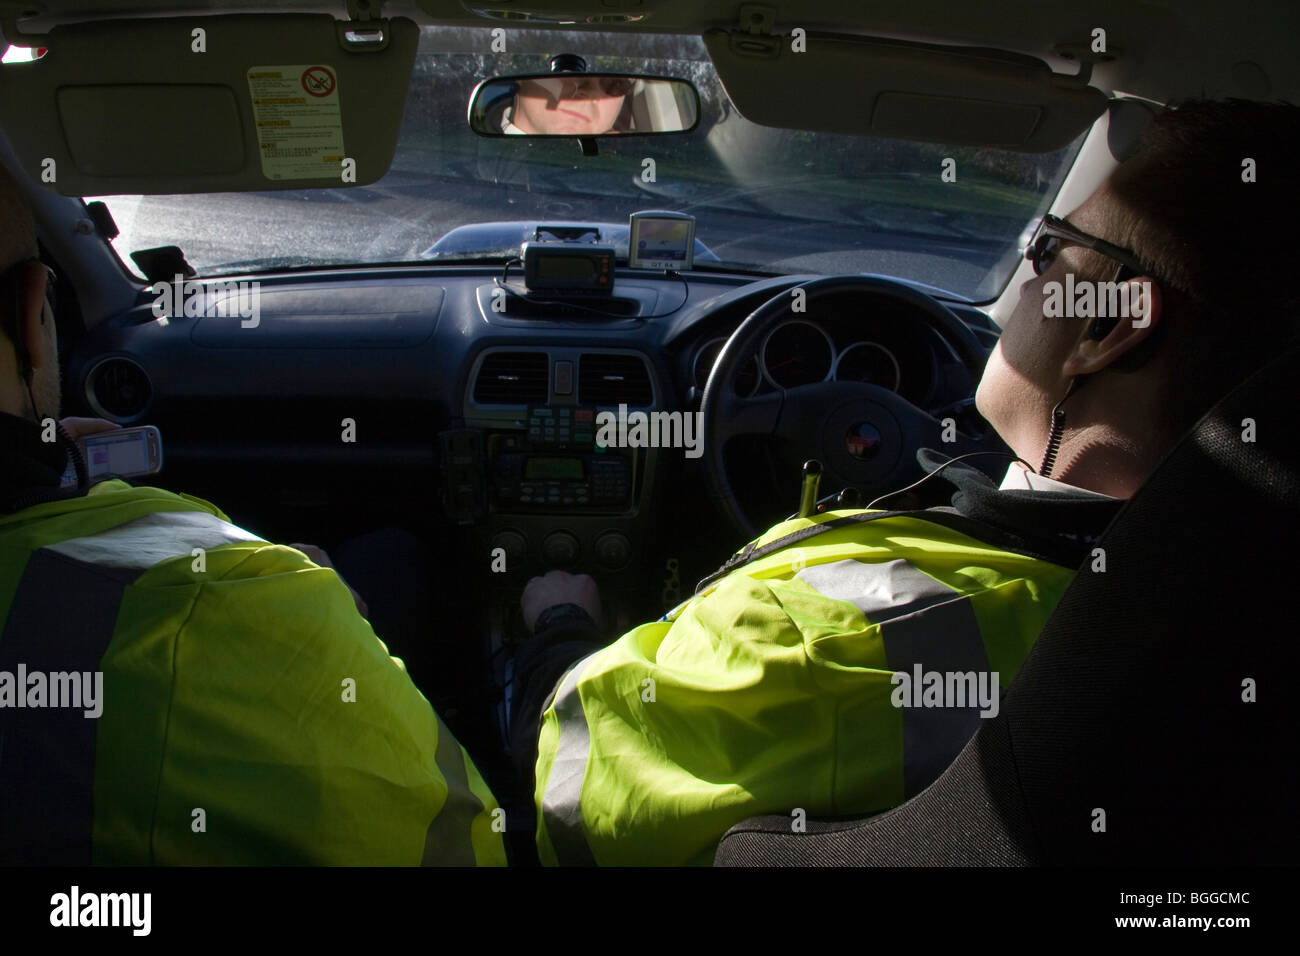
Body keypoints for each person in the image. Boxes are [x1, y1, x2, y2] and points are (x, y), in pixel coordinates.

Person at [507, 98, 1300, 865]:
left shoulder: (822, 634)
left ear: (1107, 323)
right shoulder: (1244, 626)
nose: (1028, 276)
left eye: (1049, 248)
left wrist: (558, 636)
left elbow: (571, 796)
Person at [0, 164, 505, 866]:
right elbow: (464, 845)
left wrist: (45, 465)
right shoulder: (249, 600)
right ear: (32, 315)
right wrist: (322, 604)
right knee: (395, 558)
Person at [502, 75, 633, 135]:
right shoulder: (482, 161)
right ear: (520, 74)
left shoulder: (629, 176)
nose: (590, 93)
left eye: (615, 83)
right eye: (569, 71)